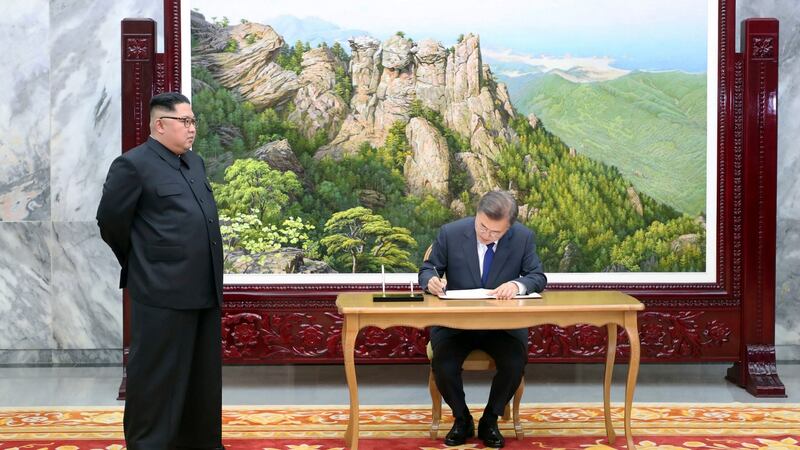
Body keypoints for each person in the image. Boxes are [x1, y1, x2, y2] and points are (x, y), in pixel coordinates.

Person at [97, 92, 224, 450]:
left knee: (201, 379)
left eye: (194, 121)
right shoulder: (132, 165)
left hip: (204, 289)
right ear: (160, 125)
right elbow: (110, 222)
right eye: (185, 121)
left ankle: (199, 444)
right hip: (161, 291)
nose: (192, 128)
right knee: (156, 379)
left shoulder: (194, 164)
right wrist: (143, 262)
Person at [419, 190, 547, 448]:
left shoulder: (522, 238)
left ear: (508, 227)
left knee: (514, 362)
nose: (486, 235)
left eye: (495, 232)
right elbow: (428, 268)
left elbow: (537, 276)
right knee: (443, 364)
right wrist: (430, 281)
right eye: (482, 227)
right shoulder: (451, 232)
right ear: (476, 215)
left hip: (502, 325)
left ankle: (490, 419)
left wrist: (517, 285)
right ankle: (462, 418)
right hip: (456, 323)